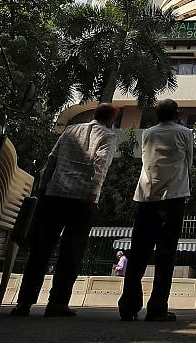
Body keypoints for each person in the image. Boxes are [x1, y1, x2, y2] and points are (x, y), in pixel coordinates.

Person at [11, 102, 120, 317]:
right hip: (81, 199)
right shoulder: (107, 136)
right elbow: (101, 166)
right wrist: (93, 194)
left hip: (55, 194)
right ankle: (57, 303)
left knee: (40, 250)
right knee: (71, 252)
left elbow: (51, 160)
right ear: (111, 120)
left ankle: (24, 302)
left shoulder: (70, 130)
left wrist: (43, 188)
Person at [118, 99, 193, 322]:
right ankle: (157, 307)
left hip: (145, 196)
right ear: (176, 114)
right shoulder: (185, 133)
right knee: (166, 254)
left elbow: (145, 158)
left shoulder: (148, 133)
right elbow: (188, 163)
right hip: (173, 198)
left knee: (139, 252)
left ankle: (128, 306)